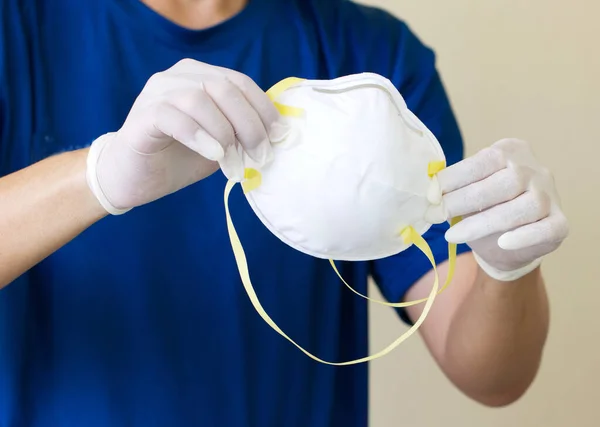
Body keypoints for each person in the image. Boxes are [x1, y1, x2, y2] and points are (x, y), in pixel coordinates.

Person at [0, 0, 569, 425]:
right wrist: (98, 176)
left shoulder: (370, 58)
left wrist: (507, 266)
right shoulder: (18, 30)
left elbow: (495, 377)